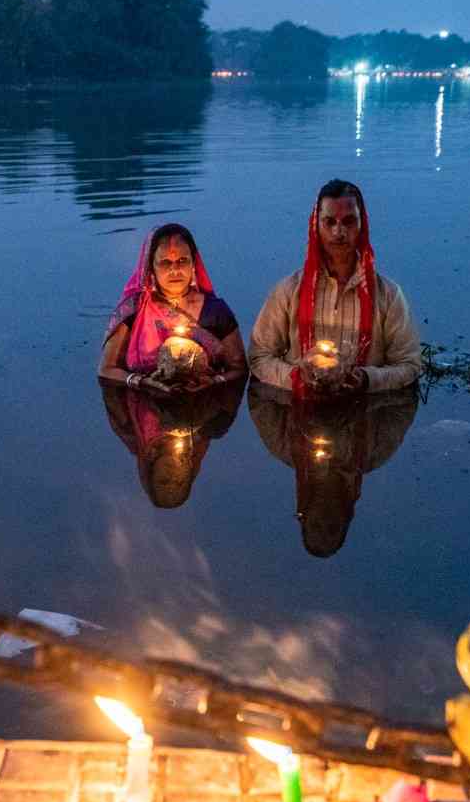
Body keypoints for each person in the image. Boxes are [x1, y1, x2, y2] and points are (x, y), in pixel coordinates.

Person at [249, 179, 422, 396]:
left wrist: (367, 379)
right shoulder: (289, 290)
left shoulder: (388, 295)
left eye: (348, 221)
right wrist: (296, 378)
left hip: (363, 412)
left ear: (362, 225)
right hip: (299, 410)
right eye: (329, 222)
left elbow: (409, 365)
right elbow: (259, 357)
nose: (338, 232)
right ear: (316, 225)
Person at [249, 382, 418, 557]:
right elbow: (403, 408)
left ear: (304, 515)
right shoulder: (376, 452)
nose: (324, 519)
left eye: (316, 525)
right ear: (345, 519)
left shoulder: (282, 445)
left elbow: (259, 399)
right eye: (332, 528)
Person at [100, 223, 247, 395]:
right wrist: (142, 382)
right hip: (145, 402)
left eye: (182, 261)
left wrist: (214, 381)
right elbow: (107, 370)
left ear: (193, 264)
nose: (175, 270)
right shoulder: (135, 309)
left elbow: (239, 369)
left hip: (204, 403)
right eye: (165, 263)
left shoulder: (216, 311)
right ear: (150, 268)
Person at [100, 376, 245, 508]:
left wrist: (141, 380)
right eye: (180, 483)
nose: (174, 475)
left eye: (164, 481)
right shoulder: (213, 427)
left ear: (151, 472)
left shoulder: (129, 428)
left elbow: (111, 380)